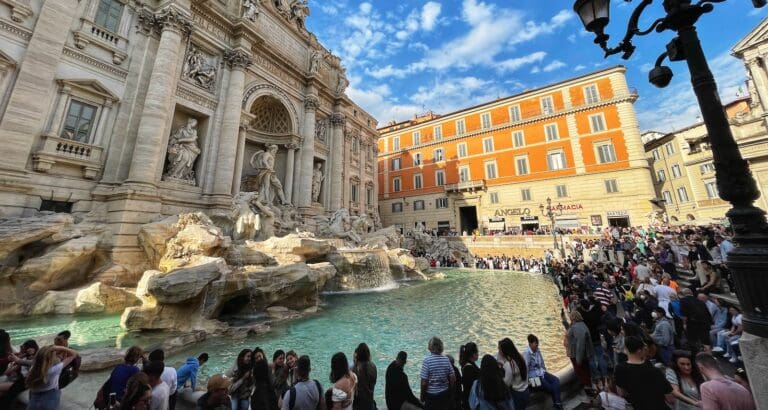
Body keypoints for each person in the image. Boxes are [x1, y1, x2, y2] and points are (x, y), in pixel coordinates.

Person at [614, 336, 674, 410]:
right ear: (641, 350)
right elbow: (670, 399)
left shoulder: (620, 369)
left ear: (626, 349)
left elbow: (621, 393)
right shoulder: (655, 370)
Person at [25, 345, 79, 410]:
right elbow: (74, 354)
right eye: (55, 354)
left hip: (35, 397)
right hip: (50, 396)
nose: (57, 356)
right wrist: (59, 347)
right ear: (50, 360)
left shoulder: (33, 368)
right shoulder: (53, 370)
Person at [523, 334, 562, 409]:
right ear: (530, 344)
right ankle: (558, 405)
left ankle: (557, 404)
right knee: (550, 388)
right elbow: (526, 369)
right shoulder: (527, 353)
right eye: (535, 344)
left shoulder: (537, 350)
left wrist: (545, 372)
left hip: (542, 373)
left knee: (556, 380)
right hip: (534, 378)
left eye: (537, 344)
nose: (537, 346)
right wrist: (527, 383)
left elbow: (542, 363)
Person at [420, 336, 455, 409]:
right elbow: (452, 378)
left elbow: (424, 383)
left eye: (429, 344)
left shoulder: (427, 361)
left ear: (433, 346)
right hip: (444, 395)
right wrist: (449, 391)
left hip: (431, 397)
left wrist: (422, 397)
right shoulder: (446, 359)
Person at [496, 337, 529, 409]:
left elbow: (506, 383)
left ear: (504, 350)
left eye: (499, 349)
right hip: (526, 390)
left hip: (517, 394)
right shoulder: (520, 357)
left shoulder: (509, 365)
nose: (498, 351)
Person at [566, 310, 594, 392]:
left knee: (581, 371)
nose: (570, 317)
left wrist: (578, 359)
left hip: (576, 354)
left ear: (573, 317)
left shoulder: (577, 327)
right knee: (585, 370)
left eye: (571, 316)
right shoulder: (579, 325)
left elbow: (580, 343)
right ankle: (588, 385)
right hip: (578, 353)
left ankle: (587, 387)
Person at [352, 343, 376, 410]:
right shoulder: (373, 366)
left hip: (359, 405)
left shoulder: (355, 370)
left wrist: (355, 363)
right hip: (370, 402)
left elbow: (354, 391)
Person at [458, 343, 479, 410]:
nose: (478, 354)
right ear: (473, 354)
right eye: (477, 352)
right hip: (470, 400)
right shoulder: (469, 368)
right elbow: (469, 385)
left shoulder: (468, 364)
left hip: (469, 398)